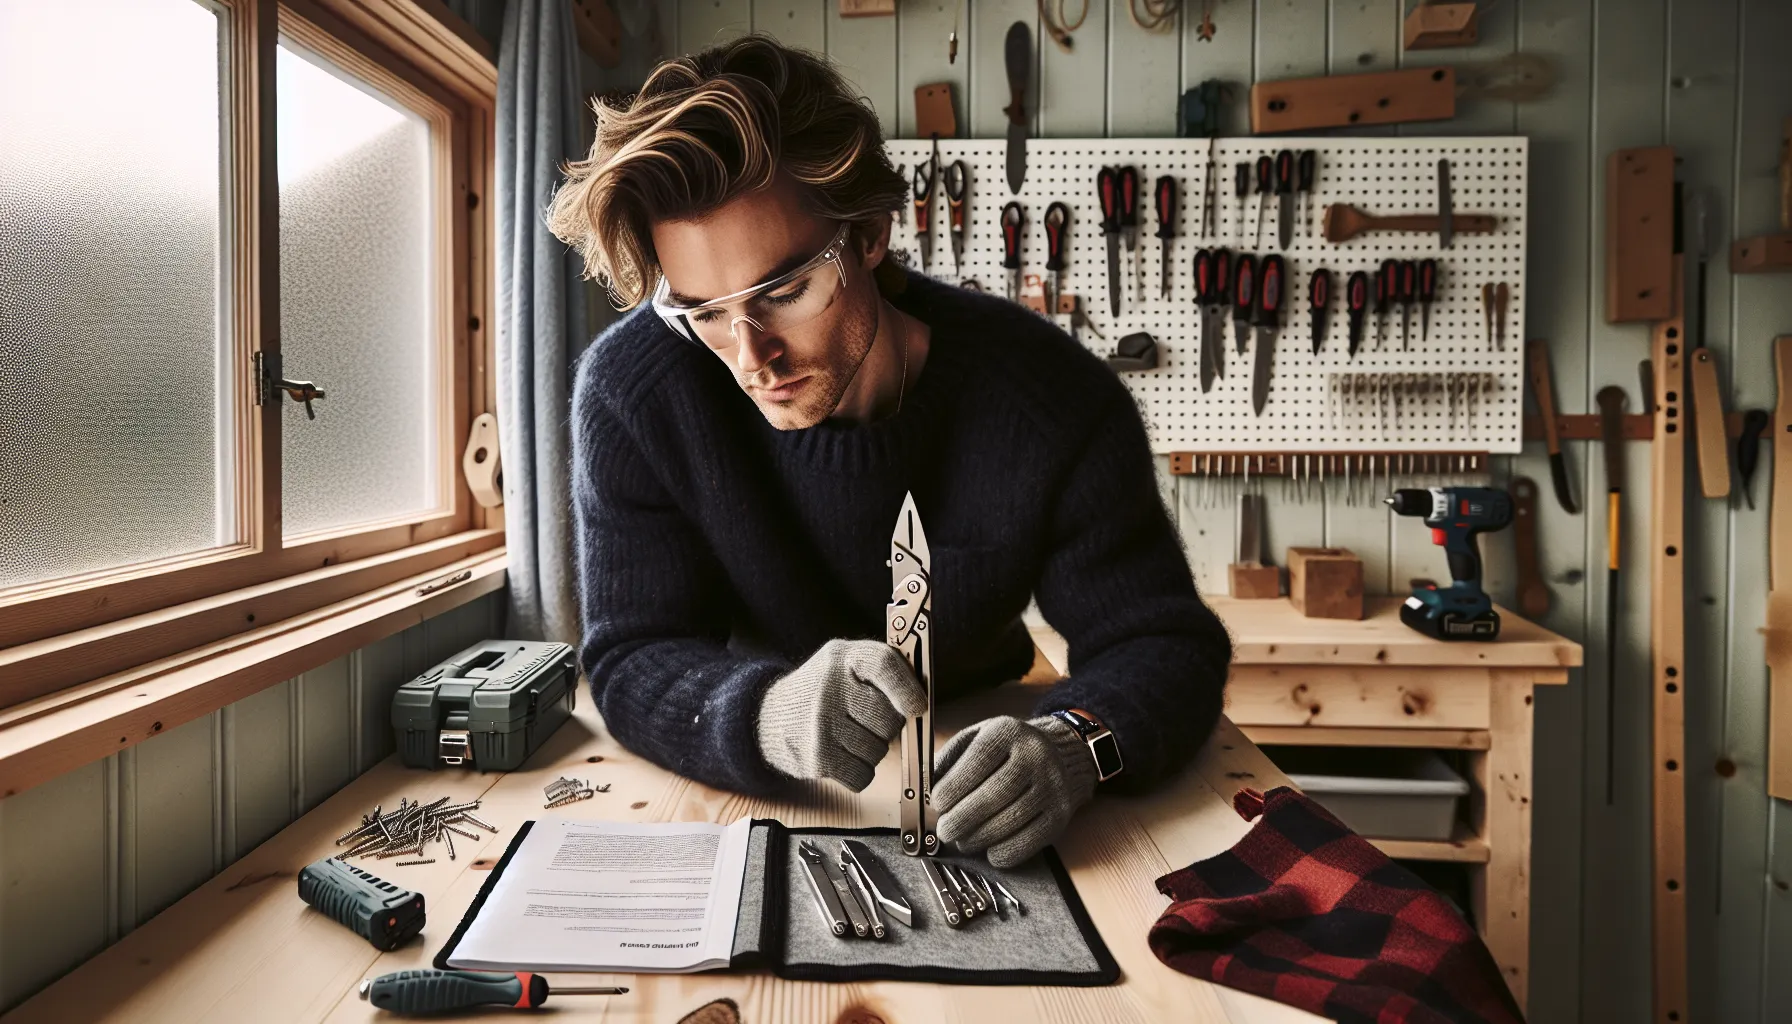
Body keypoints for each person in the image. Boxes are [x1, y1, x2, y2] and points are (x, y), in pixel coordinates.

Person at [548, 35, 1231, 868]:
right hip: (751, 782)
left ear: (869, 233)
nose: (749, 355)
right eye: (704, 312)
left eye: (786, 291)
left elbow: (1162, 643)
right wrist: (763, 712)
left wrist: (1077, 743)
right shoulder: (632, 392)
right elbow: (630, 655)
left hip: (980, 766)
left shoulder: (1052, 398)